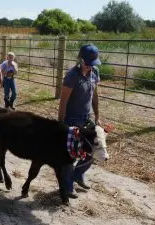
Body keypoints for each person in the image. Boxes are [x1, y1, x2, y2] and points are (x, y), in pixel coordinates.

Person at [58, 44, 102, 198]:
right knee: (71, 154)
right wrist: (61, 124)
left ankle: (78, 174)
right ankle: (67, 185)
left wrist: (97, 115)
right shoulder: (72, 76)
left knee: (94, 150)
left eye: (93, 64)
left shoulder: (94, 72)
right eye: (89, 63)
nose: (91, 67)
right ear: (81, 60)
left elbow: (95, 95)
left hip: (86, 118)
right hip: (72, 120)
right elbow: (63, 102)